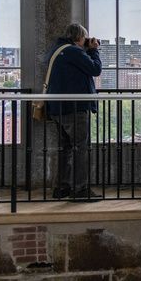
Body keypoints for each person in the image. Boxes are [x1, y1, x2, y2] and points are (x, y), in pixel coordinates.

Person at [46, 23, 102, 200]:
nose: (86, 41)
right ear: (78, 38)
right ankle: (80, 190)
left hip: (57, 107)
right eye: (85, 38)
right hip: (75, 108)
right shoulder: (73, 51)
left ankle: (62, 188)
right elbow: (95, 69)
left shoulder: (57, 50)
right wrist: (93, 50)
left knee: (65, 148)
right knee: (80, 148)